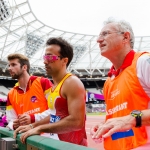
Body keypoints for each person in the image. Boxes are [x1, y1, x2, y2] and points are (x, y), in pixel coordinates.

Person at [14, 37, 87, 146]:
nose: (45, 61)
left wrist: (40, 129)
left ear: (64, 60)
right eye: (45, 56)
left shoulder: (71, 82)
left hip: (72, 147)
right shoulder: (54, 86)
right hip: (59, 145)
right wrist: (32, 126)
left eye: (50, 57)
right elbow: (55, 115)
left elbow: (76, 121)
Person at [91, 18, 150, 150]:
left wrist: (132, 119)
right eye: (99, 35)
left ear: (125, 37)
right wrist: (105, 124)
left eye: (105, 34)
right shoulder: (109, 81)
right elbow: (121, 117)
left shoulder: (143, 62)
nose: (98, 40)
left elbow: (128, 119)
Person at [6, 53, 53, 130]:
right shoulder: (11, 93)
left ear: (24, 67)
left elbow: (55, 110)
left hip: (46, 136)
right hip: (24, 138)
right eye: (9, 65)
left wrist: (33, 118)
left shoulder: (43, 82)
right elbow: (11, 120)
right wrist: (14, 125)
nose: (9, 68)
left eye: (13, 65)